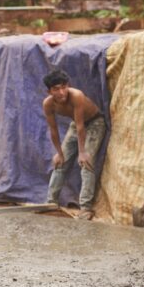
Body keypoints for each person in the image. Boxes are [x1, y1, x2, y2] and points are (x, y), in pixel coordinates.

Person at [42, 69, 106, 220]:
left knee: (87, 163)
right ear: (49, 91)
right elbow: (53, 130)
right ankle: (51, 202)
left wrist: (83, 152)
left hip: (94, 123)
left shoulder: (76, 95)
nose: (62, 92)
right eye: (56, 89)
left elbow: (80, 126)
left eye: (64, 87)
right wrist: (59, 152)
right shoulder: (48, 104)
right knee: (60, 163)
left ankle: (85, 207)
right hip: (76, 125)